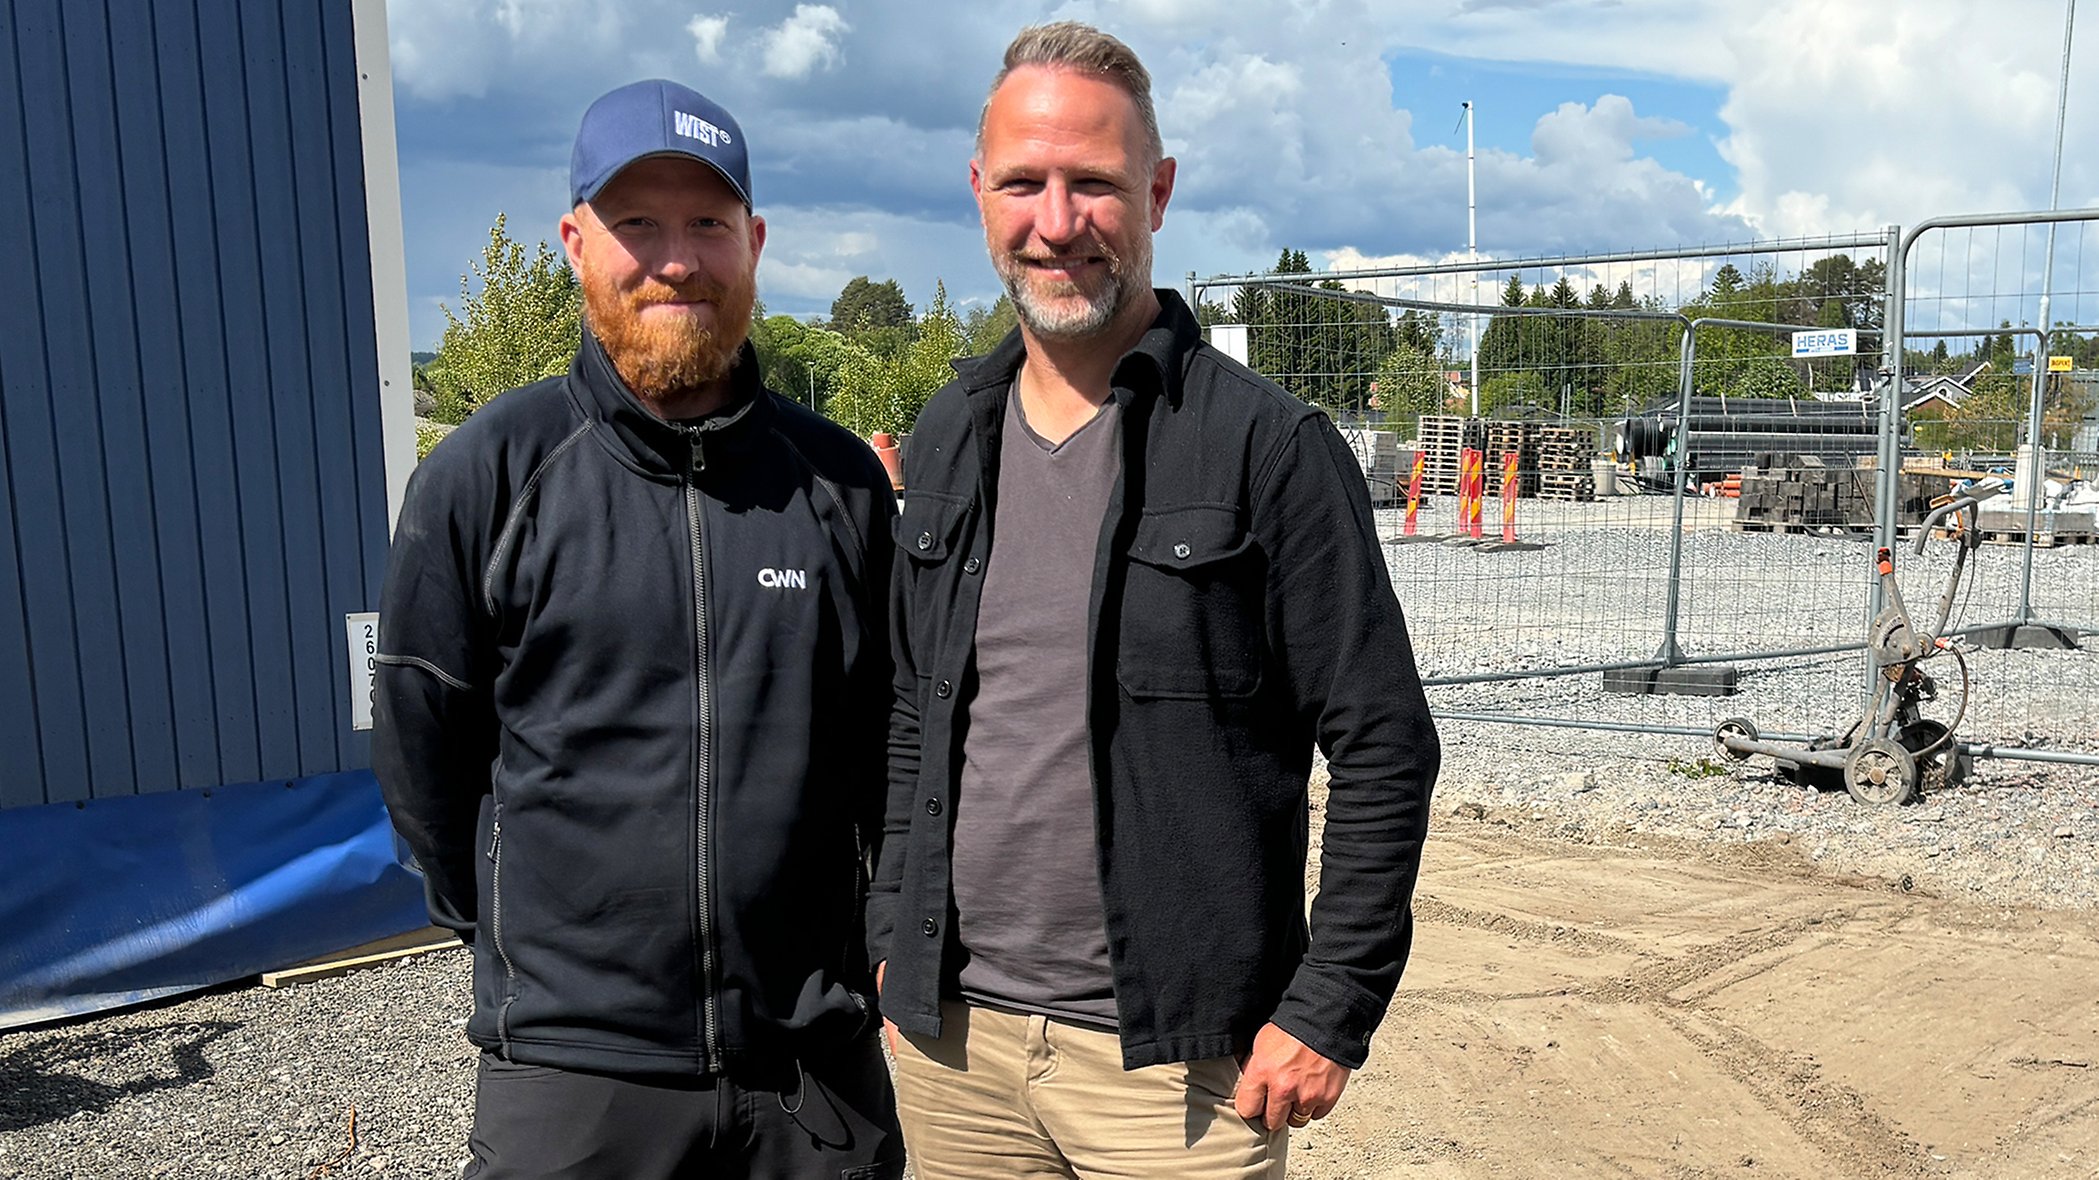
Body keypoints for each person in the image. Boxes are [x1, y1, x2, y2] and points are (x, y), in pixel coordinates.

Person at [867, 22, 1441, 1179]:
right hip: (953, 1051)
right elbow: (909, 716)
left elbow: (1382, 745)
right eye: (1023, 182)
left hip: (1176, 1072)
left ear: (1158, 192)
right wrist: (887, 931)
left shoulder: (1267, 449)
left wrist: (1329, 1004)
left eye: (1094, 182)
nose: (1056, 219)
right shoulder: (947, 434)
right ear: (979, 192)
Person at [373, 78, 902, 1180]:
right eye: (636, 224)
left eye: (707, 223)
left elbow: (886, 750)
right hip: (574, 1087)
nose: (676, 259)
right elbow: (427, 762)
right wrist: (544, 953)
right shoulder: (484, 478)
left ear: (753, 242)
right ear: (575, 242)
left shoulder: (839, 486)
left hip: (808, 1077)